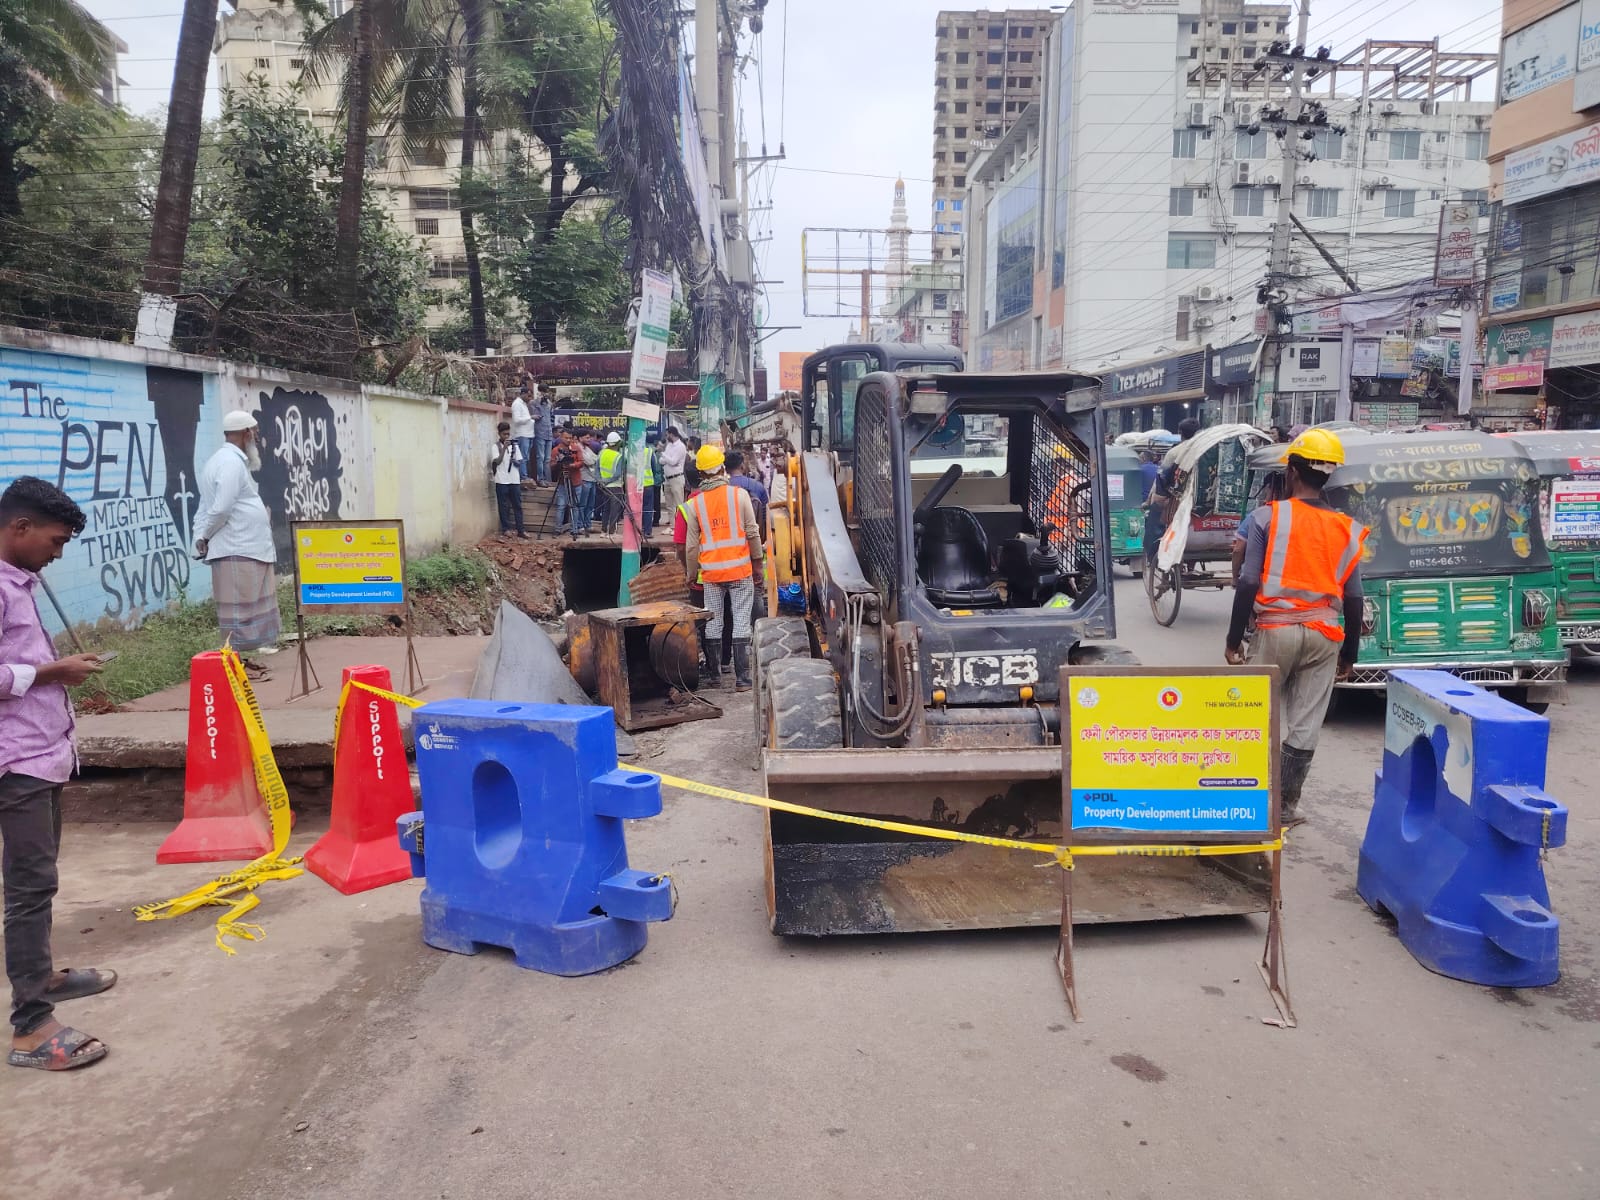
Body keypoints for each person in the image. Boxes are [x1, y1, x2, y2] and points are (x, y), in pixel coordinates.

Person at [1, 477, 115, 1072]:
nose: (58, 552)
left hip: (41, 755)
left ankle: (41, 975)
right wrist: (51, 673)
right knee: (27, 888)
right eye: (55, 539)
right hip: (13, 762)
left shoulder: (21, 582)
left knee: (40, 881)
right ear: (19, 528)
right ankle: (30, 1028)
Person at [1224, 428, 1367, 827]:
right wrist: (1350, 653)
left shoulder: (1266, 516)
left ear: (1291, 471)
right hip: (1325, 635)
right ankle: (1284, 808)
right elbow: (1354, 597)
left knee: (1252, 715)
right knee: (1305, 725)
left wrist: (1234, 640)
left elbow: (1249, 580)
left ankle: (1244, 800)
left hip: (1274, 630)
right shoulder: (1345, 527)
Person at [196, 411, 281, 656]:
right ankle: (234, 662)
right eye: (253, 431)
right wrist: (205, 536)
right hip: (237, 546)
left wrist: (201, 535)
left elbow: (206, 507)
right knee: (238, 616)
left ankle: (241, 661)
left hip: (245, 547)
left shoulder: (224, 461)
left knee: (246, 612)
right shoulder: (229, 463)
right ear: (246, 434)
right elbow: (220, 507)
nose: (255, 436)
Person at [684, 444, 764, 691]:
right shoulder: (739, 495)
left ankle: (715, 676)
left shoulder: (695, 505)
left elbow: (690, 547)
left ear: (700, 473)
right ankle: (742, 679)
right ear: (721, 468)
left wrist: (690, 574)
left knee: (714, 621)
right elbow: (752, 533)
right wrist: (757, 564)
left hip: (711, 574)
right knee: (741, 620)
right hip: (740, 571)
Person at [490, 422, 527, 538]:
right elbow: (497, 461)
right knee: (503, 506)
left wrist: (515, 461)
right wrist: (504, 448)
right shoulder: (495, 447)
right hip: (501, 480)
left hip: (514, 480)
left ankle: (521, 530)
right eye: (504, 434)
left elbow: (520, 461)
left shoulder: (515, 446)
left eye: (508, 434)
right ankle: (505, 529)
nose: (506, 436)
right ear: (499, 434)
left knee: (517, 505)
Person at [549, 428, 584, 535]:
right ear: (561, 437)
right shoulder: (556, 450)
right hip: (562, 481)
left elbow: (581, 462)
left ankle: (574, 529)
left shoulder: (576, 448)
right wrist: (559, 463)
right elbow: (551, 465)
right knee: (561, 506)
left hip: (576, 481)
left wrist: (572, 465)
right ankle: (558, 529)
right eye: (566, 438)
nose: (568, 440)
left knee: (575, 506)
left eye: (570, 438)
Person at [726, 450, 769, 530]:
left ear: (726, 470)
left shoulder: (722, 488)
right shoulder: (758, 486)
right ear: (742, 466)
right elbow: (765, 516)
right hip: (755, 536)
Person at [598, 431, 626, 536]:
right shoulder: (619, 456)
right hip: (615, 487)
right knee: (615, 510)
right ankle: (612, 531)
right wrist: (607, 481)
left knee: (606, 509)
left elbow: (597, 469)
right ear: (617, 443)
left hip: (604, 487)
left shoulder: (601, 453)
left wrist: (601, 481)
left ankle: (603, 531)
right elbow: (618, 474)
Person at [509, 384, 536, 485]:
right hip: (522, 435)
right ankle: (523, 477)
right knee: (522, 457)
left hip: (529, 434)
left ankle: (525, 476)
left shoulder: (524, 404)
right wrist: (531, 418)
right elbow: (516, 420)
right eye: (528, 396)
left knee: (526, 457)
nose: (530, 398)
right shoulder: (517, 404)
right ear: (523, 394)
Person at [660, 428, 688, 520]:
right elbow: (661, 461)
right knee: (669, 505)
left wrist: (663, 454)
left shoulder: (680, 447)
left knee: (678, 504)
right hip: (667, 479)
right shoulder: (669, 446)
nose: (666, 437)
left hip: (677, 478)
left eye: (667, 435)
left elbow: (673, 461)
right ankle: (672, 526)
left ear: (671, 434)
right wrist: (668, 459)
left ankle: (681, 526)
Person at [575, 432, 599, 535]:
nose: (589, 439)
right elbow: (589, 461)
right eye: (587, 437)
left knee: (590, 504)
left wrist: (592, 461)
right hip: (584, 479)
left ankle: (588, 525)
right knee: (582, 504)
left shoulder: (587, 448)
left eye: (590, 438)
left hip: (592, 479)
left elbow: (596, 459)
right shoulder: (578, 448)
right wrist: (592, 461)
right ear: (580, 438)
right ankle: (580, 526)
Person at [532, 386, 555, 487]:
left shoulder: (549, 403)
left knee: (547, 459)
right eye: (543, 392)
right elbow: (534, 417)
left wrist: (552, 428)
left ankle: (547, 479)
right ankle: (540, 479)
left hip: (549, 434)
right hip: (539, 433)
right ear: (539, 392)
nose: (545, 394)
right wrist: (540, 402)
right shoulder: (534, 403)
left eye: (546, 392)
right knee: (540, 457)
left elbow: (552, 417)